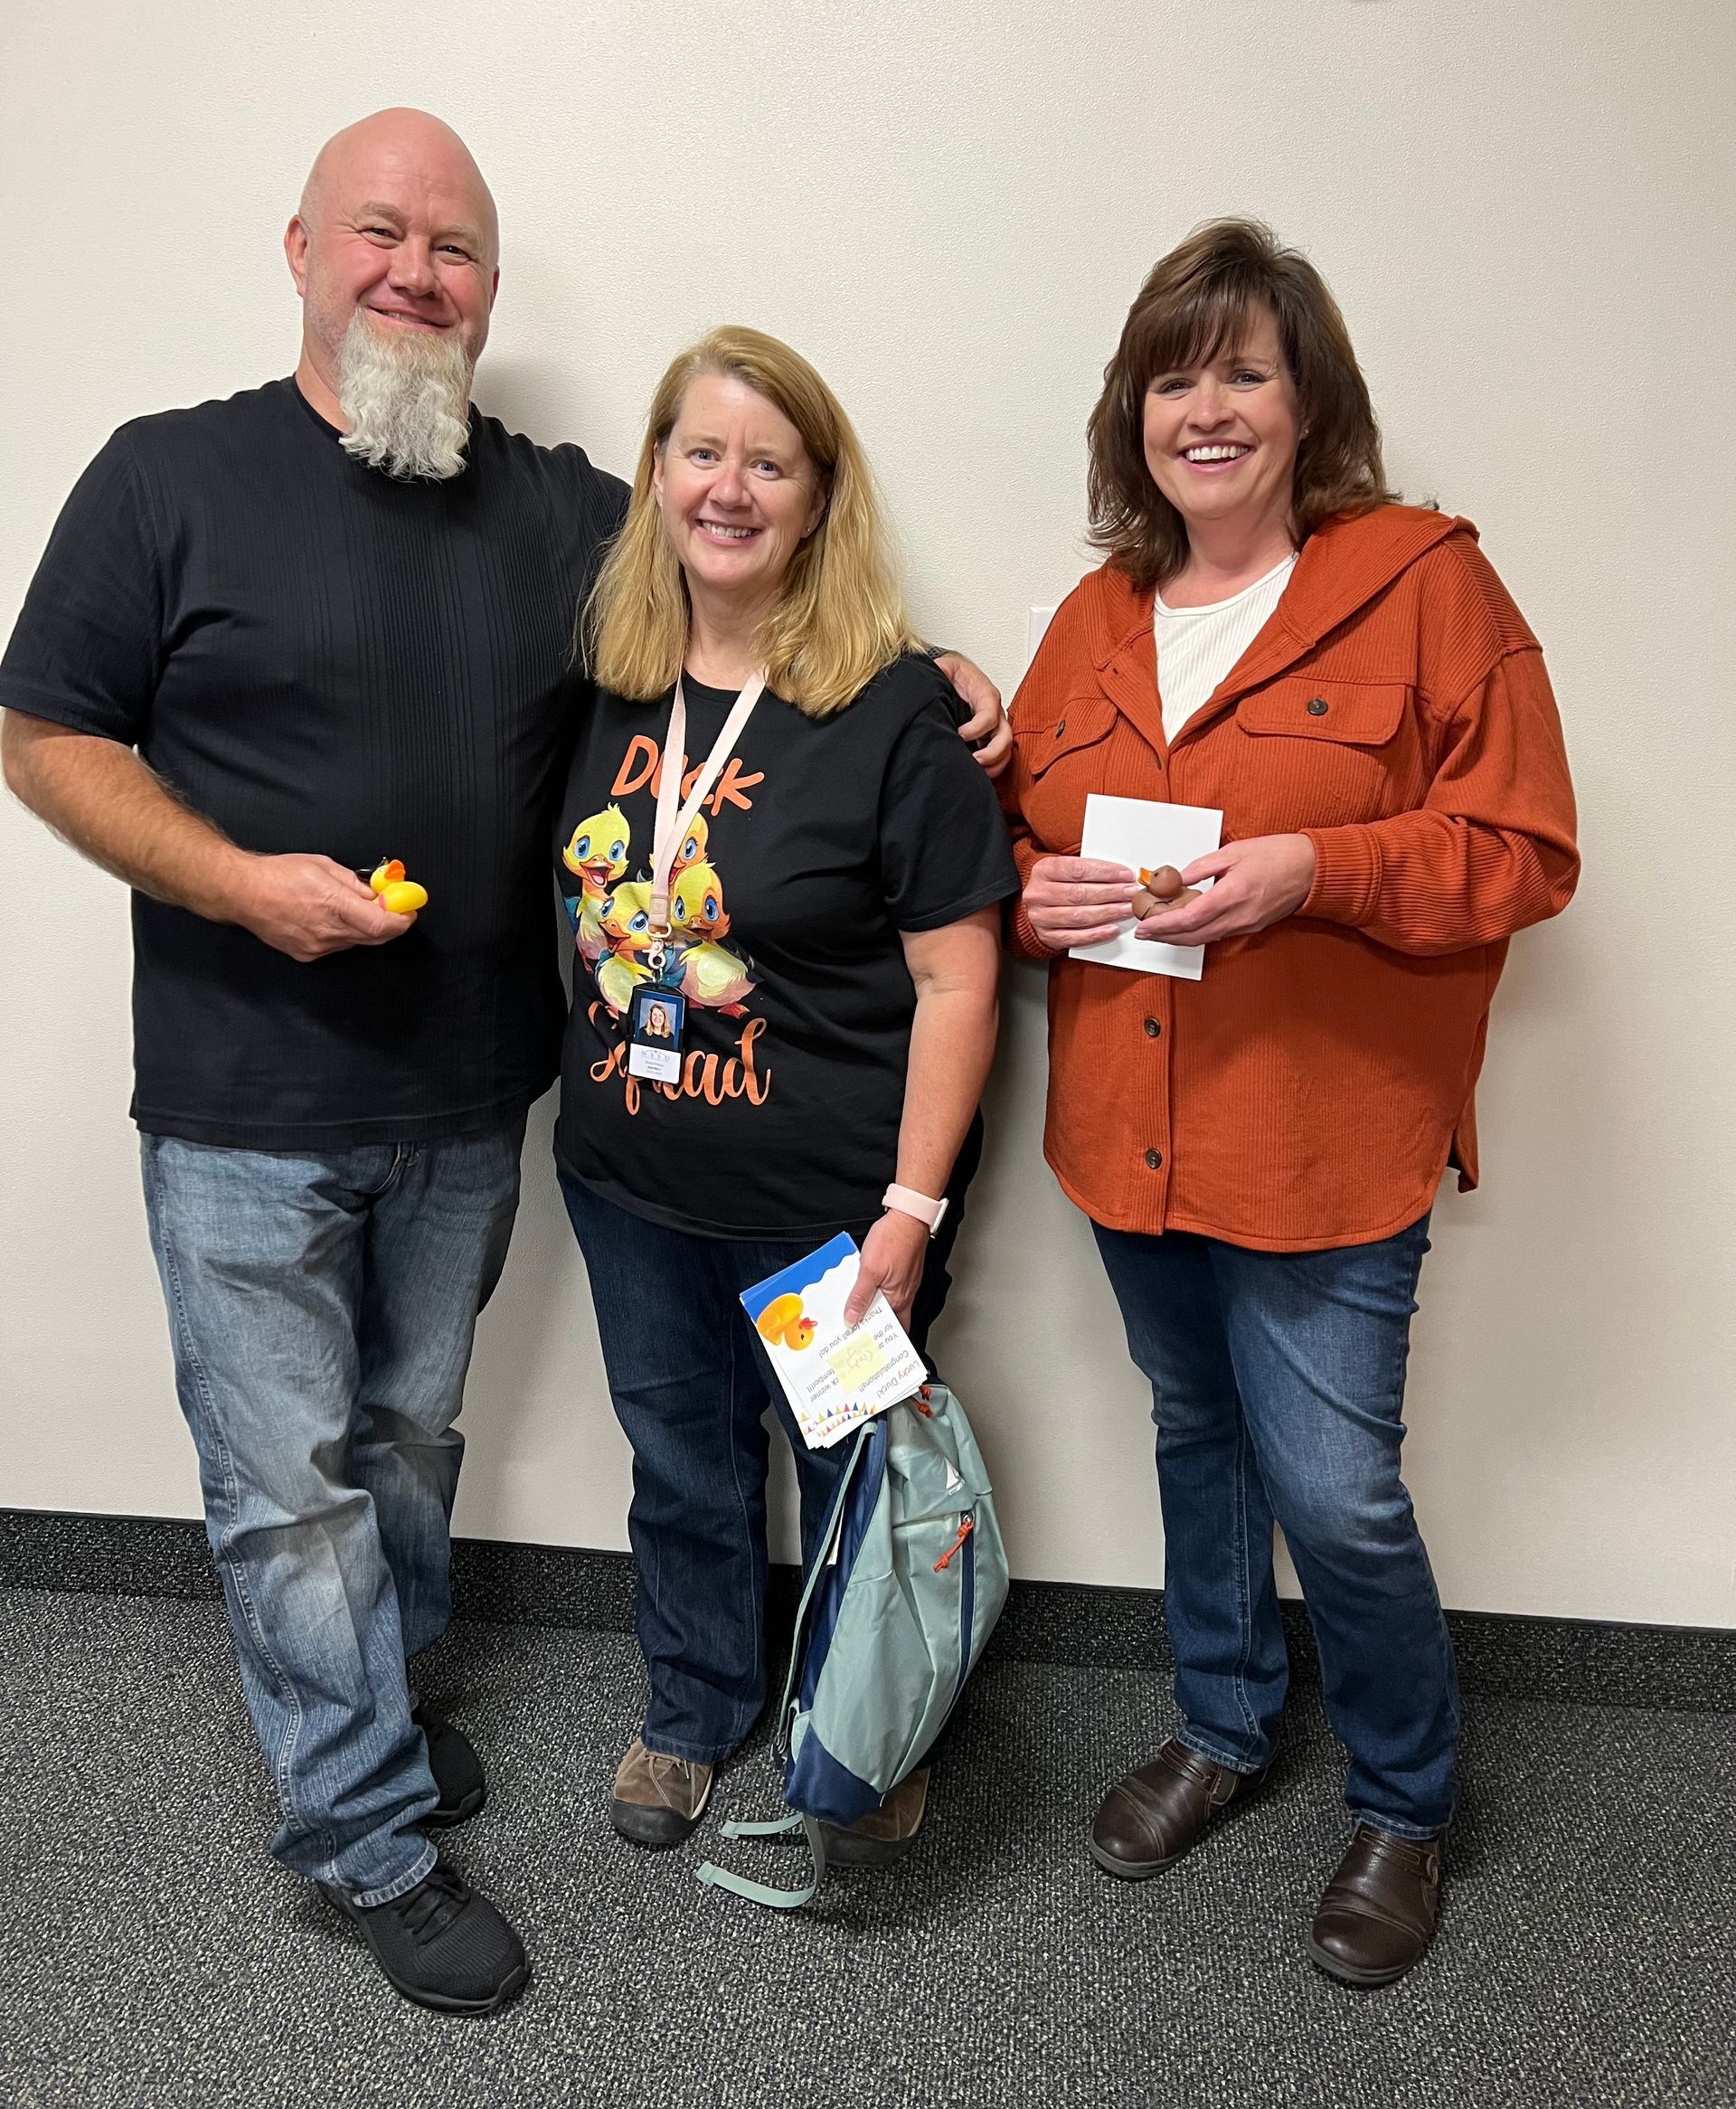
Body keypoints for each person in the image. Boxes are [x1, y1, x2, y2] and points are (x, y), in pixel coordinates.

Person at [0, 110, 1010, 2017]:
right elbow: (41, 729)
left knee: (400, 1453)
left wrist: (934, 669)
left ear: (487, 290)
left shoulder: (547, 512)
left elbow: (749, 583)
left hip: (472, 1109)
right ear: (299, 244)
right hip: (245, 1104)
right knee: (291, 1492)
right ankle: (367, 1830)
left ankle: (385, 1708)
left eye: (456, 249)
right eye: (380, 233)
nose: (416, 272)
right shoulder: (167, 478)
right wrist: (231, 881)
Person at [1001, 219, 1579, 1987]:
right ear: (1135, 413)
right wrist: (1028, 892)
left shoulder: (1423, 582)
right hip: (1130, 1131)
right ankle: (1227, 1719)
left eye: (1245, 368)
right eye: (1176, 374)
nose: (1209, 405)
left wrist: (1314, 866)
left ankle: (1405, 1797)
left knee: (1335, 1491)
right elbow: (1017, 835)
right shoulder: (1092, 619)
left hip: (1326, 1139)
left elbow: (1527, 846)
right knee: (1196, 1437)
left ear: (1307, 397)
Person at [554, 326, 1019, 1863]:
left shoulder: (898, 716)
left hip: (827, 1221)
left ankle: (864, 1725)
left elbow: (960, 982)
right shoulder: (607, 686)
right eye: (702, 453)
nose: (730, 488)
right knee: (680, 1462)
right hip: (629, 1189)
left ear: (820, 497)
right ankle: (693, 1707)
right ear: (657, 477)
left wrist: (909, 1212)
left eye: (770, 461)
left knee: (850, 1480)